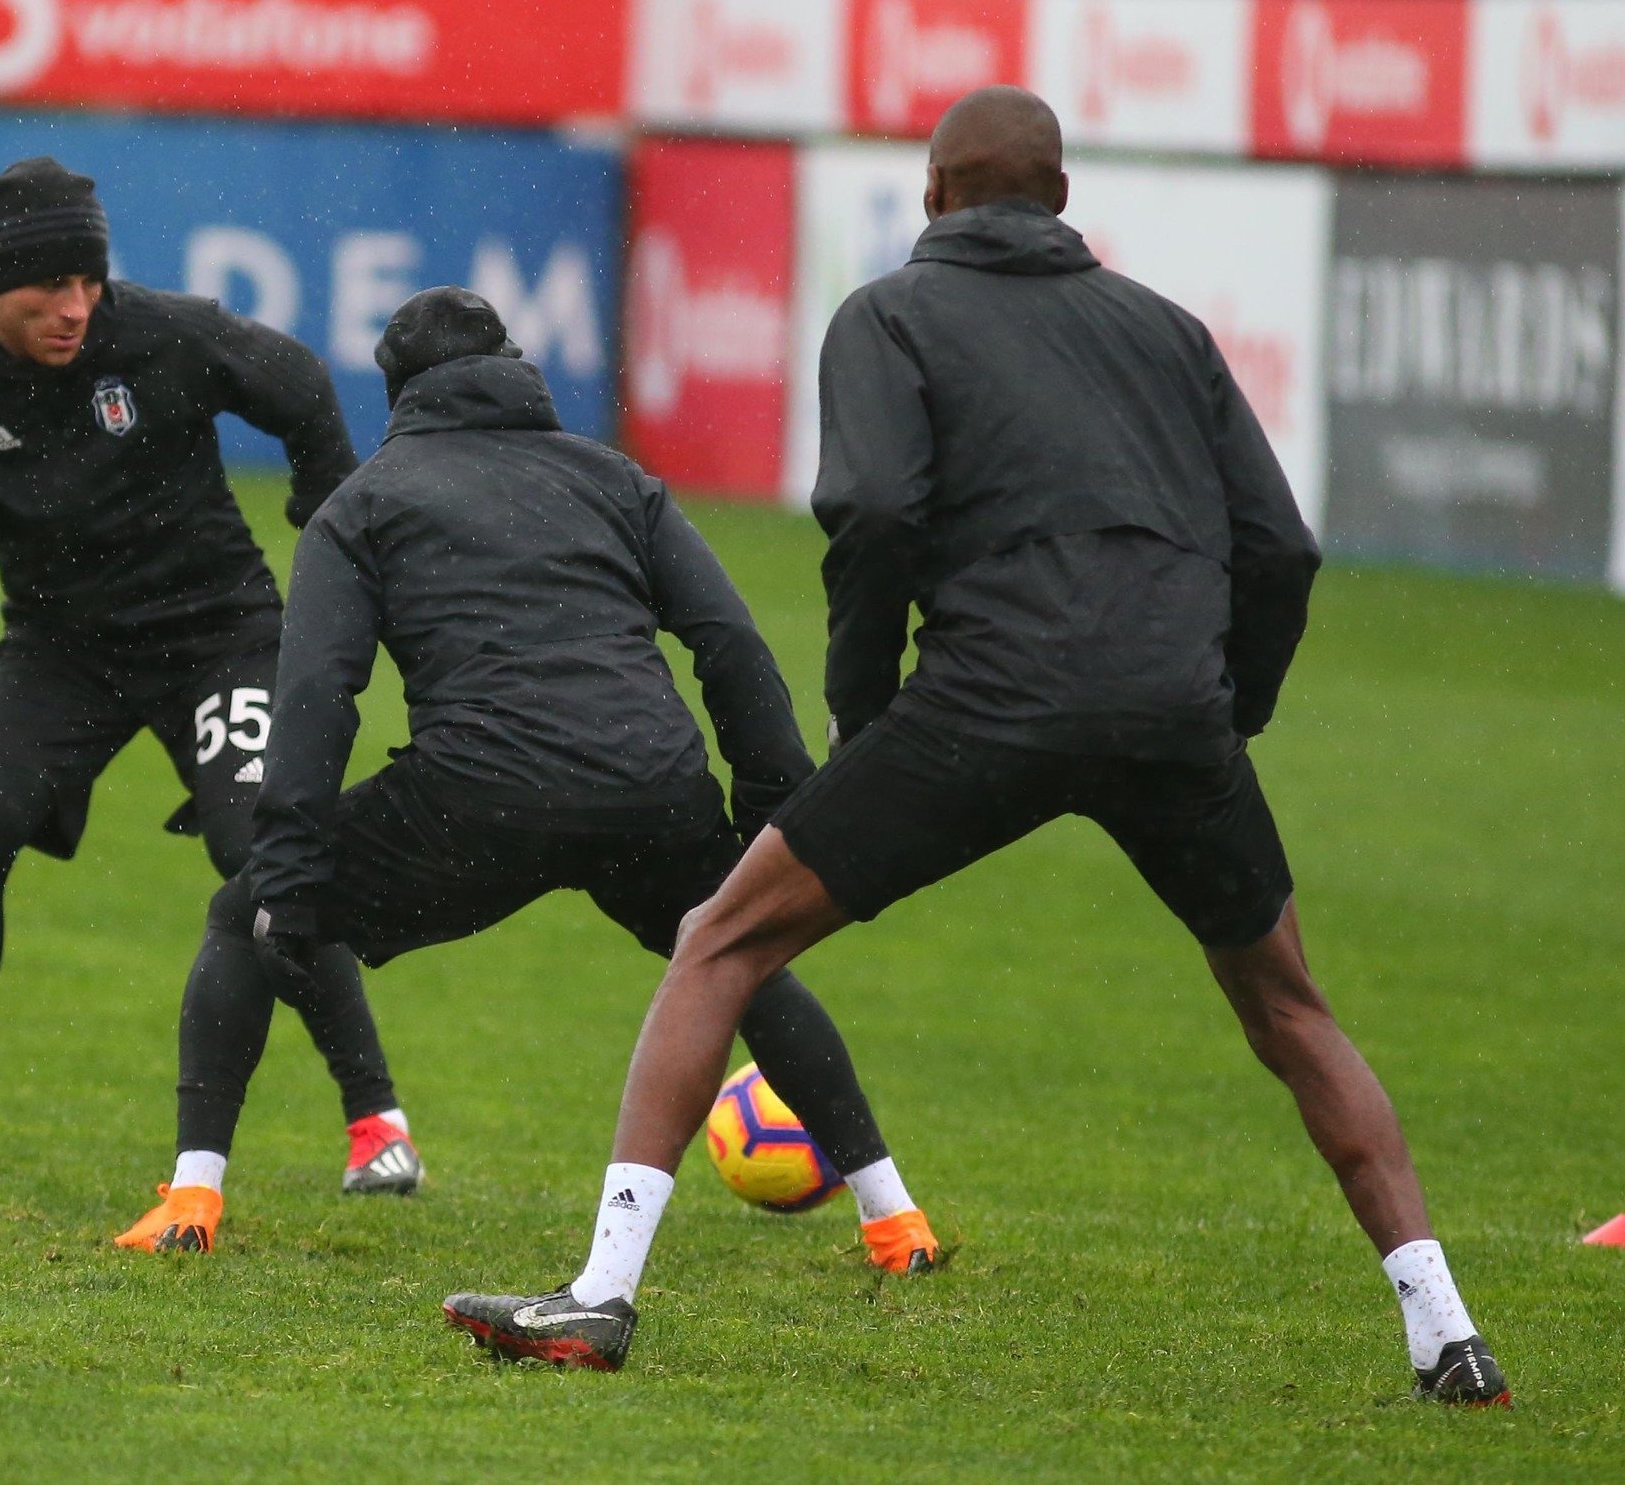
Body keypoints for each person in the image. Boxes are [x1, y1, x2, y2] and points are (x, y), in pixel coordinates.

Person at [447, 87, 1510, 1405]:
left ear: (934, 194)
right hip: (1170, 715)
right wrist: (1226, 706)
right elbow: (1277, 547)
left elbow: (877, 513)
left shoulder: (887, 314)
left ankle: (598, 1296)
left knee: (719, 936)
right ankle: (1446, 1335)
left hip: (984, 705)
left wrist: (857, 712)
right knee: (1288, 1010)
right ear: (1057, 198)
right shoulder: (1167, 331)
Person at [115, 287, 935, 1298]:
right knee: (734, 955)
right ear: (513, 364)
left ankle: (192, 1199)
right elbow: (725, 638)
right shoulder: (613, 477)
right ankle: (894, 1215)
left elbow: (320, 691)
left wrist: (287, 866)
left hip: (474, 804)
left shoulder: (363, 501)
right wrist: (774, 805)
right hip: (649, 787)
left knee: (239, 917)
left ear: (398, 394)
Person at [0, 156, 421, 1195]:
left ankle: (374, 1120)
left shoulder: (162, 330)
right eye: (50, 290)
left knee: (262, 849)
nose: (77, 308)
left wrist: (324, 501)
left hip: (221, 635)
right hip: (60, 651)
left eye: (91, 282)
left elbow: (296, 380)